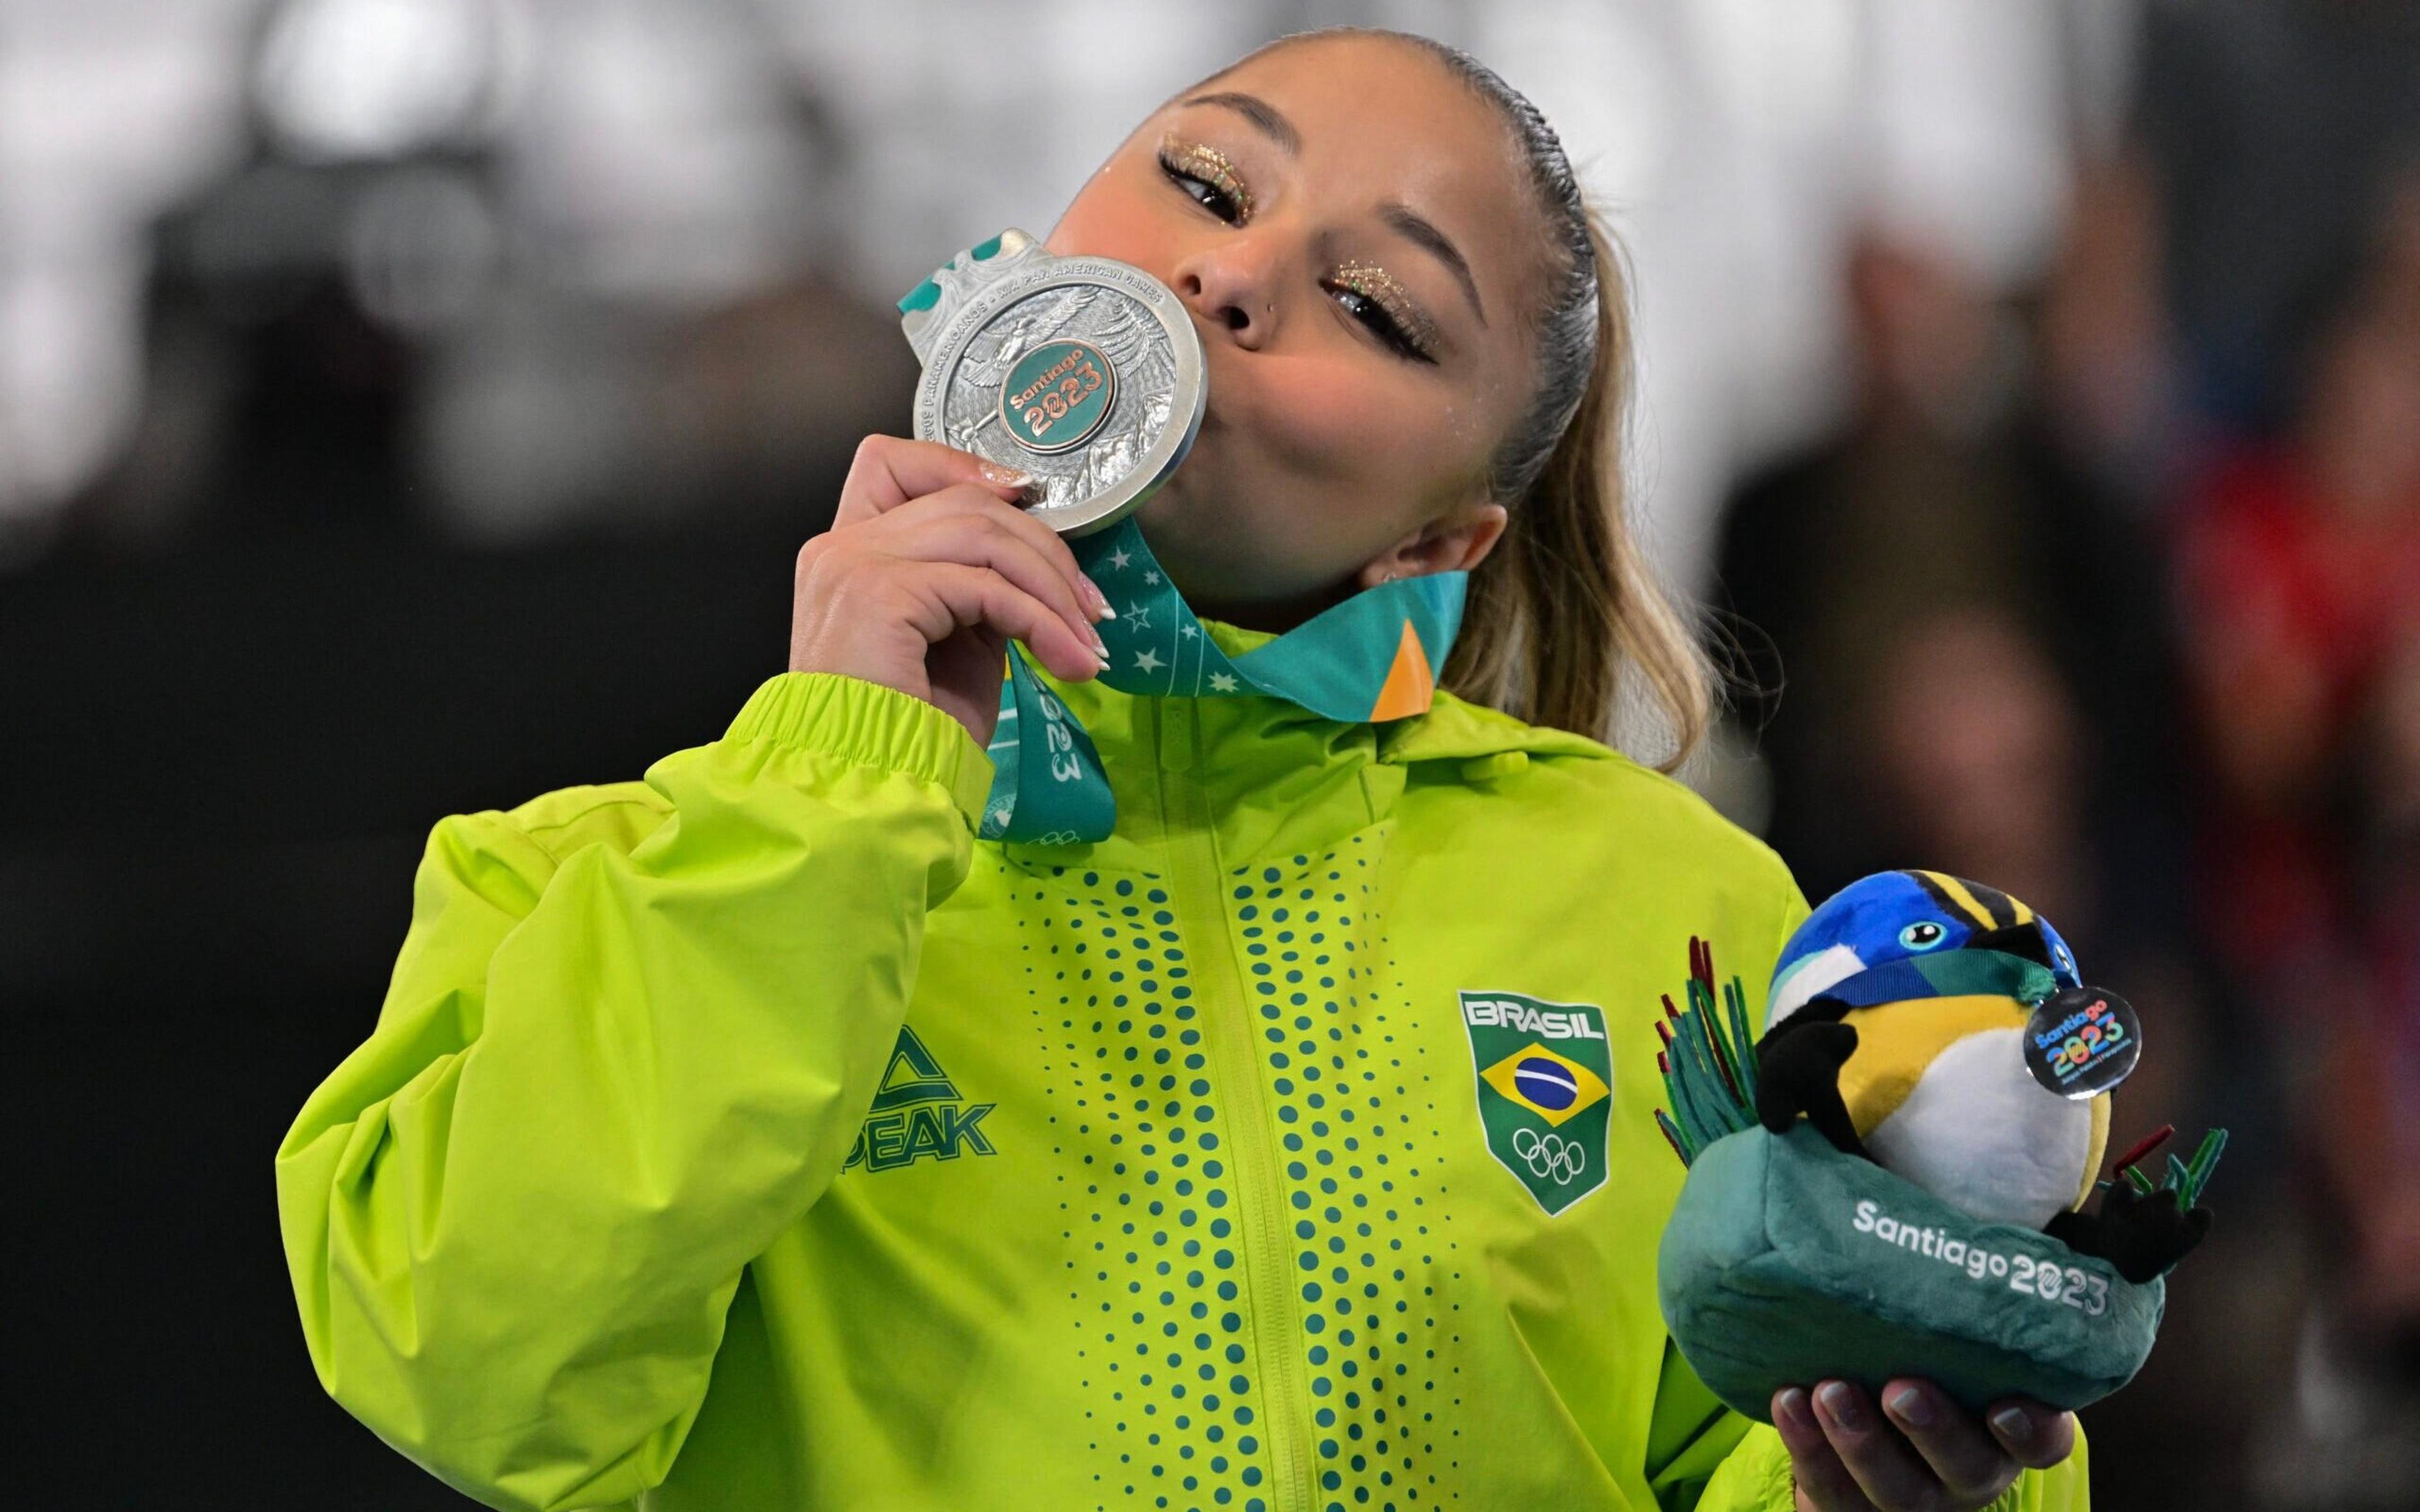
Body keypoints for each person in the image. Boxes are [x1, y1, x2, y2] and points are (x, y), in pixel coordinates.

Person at [274, 28, 2086, 1512]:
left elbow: (1789, 1449)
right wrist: (830, 789)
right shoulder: (616, 872)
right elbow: (473, 1367)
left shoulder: (1681, 910)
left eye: (1375, 307)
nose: (1230, 272)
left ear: (1438, 538)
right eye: (1205, 183)